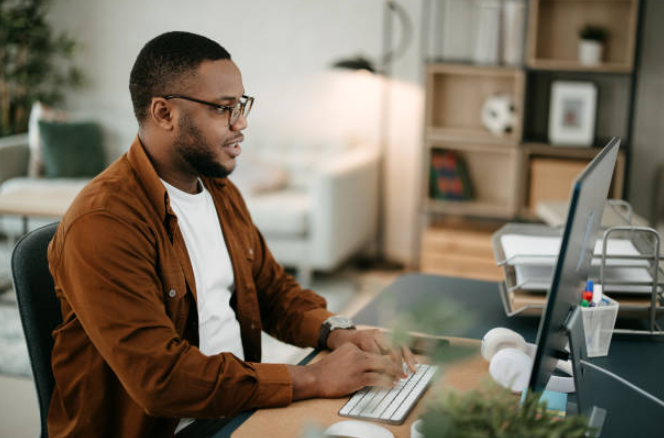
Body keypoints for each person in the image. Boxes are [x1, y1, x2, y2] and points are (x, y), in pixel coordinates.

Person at [46, 31, 416, 438]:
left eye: (241, 105)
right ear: (164, 113)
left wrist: (340, 333)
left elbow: (274, 294)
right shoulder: (104, 223)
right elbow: (162, 379)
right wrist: (312, 379)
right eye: (223, 109)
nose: (240, 124)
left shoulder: (219, 191)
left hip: (235, 409)